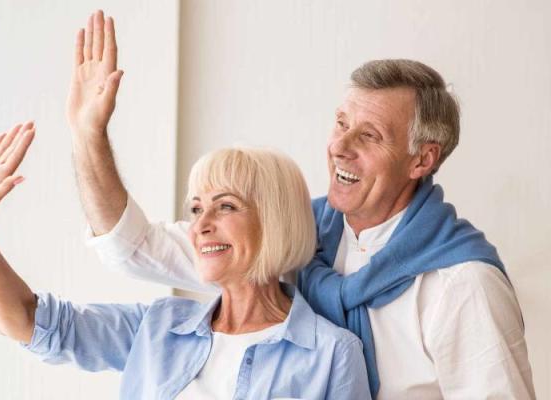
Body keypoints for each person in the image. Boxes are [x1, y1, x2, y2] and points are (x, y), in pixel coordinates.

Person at [67, 10, 535, 399]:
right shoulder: (296, 235)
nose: (340, 147)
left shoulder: (463, 284)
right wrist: (89, 136)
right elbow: (134, 247)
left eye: (368, 136)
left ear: (422, 159)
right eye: (340, 123)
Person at [0, 121, 371, 399]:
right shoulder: (157, 329)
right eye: (196, 209)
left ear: (275, 220)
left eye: (225, 207)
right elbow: (28, 322)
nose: (201, 225)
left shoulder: (332, 354)